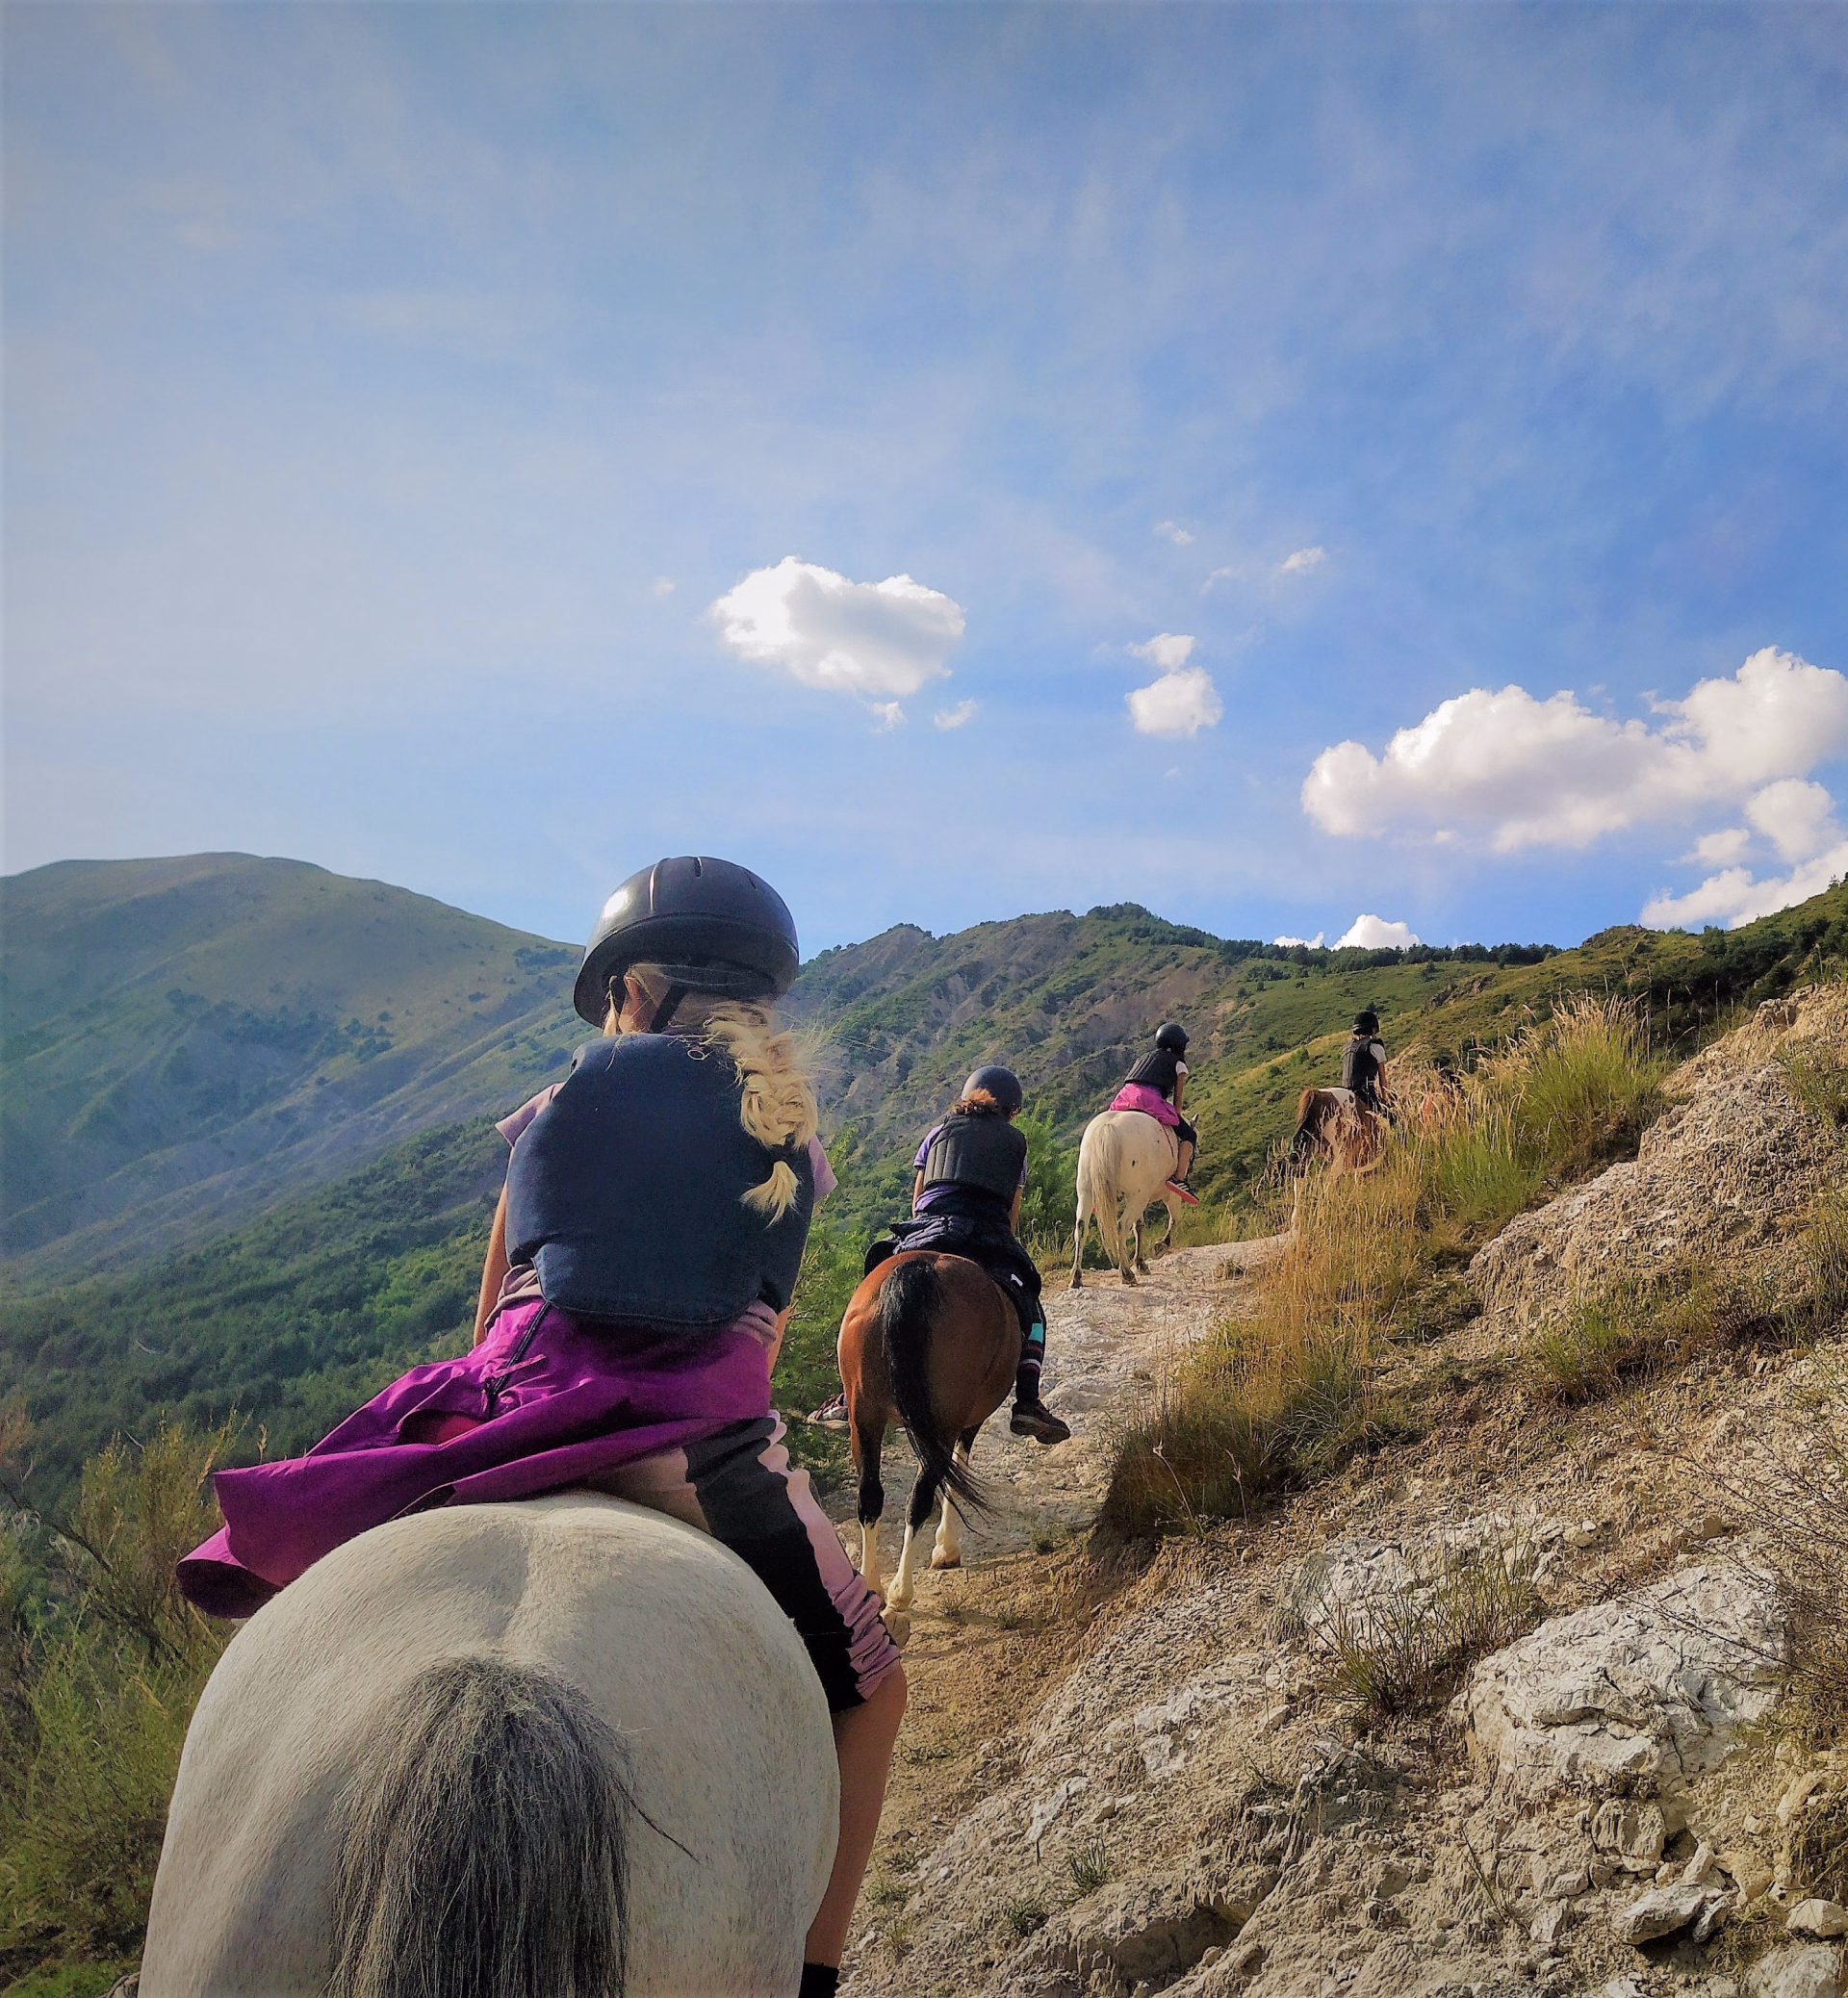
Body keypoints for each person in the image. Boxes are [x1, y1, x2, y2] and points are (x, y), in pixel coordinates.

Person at [176, 856, 902, 1998]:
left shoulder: (553, 1109)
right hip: (698, 1458)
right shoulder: (791, 1142)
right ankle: (816, 1970)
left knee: (297, 1598)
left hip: (516, 1410)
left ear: (634, 992)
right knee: (874, 1683)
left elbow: (489, 1319)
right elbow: (756, 1340)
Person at [848, 1066, 1070, 1447]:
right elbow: (1011, 1212)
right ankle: (1028, 1402)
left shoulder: (937, 1133)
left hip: (929, 1227)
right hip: (986, 1233)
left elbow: (918, 1197)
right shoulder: (1015, 1144)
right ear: (1012, 1111)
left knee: (876, 1274)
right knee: (1031, 1305)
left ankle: (849, 1388)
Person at [1107, 1021, 1198, 1203]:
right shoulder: (1179, 1065)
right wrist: (1176, 1117)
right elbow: (1177, 1101)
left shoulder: (1142, 1058)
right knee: (1190, 1135)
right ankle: (1179, 1179)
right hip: (1149, 1099)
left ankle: (1107, 1182)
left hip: (1124, 1096)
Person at [1342, 1009, 1390, 1114]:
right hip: (1365, 1094)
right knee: (1390, 1118)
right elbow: (1382, 1077)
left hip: (1345, 1091)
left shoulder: (1346, 1047)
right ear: (1373, 1030)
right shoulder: (1375, 1047)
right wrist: (1385, 1099)